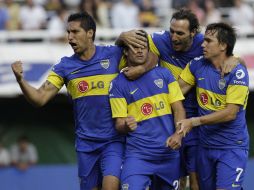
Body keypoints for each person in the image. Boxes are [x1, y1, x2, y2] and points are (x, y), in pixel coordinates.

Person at [11, 12, 155, 190]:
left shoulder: (113, 54)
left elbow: (152, 56)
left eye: (75, 32)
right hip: (86, 144)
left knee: (110, 186)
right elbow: (39, 99)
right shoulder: (65, 66)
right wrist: (20, 81)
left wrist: (139, 68)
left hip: (113, 141)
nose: (70, 37)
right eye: (68, 32)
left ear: (90, 33)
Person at [117, 9, 245, 190]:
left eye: (180, 33)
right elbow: (140, 58)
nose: (174, 37)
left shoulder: (205, 46)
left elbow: (234, 61)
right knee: (178, 179)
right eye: (172, 31)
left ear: (193, 33)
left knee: (194, 183)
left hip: (199, 126)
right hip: (170, 119)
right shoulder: (163, 43)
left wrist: (237, 59)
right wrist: (136, 59)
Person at [109, 31, 186, 190]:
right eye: (135, 47)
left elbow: (178, 109)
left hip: (168, 155)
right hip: (138, 158)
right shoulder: (117, 84)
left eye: (143, 47)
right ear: (125, 51)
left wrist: (178, 134)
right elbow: (118, 124)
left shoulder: (164, 74)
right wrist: (126, 125)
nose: (139, 50)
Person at [178, 22, 249, 190]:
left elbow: (230, 113)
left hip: (231, 147)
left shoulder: (237, 72)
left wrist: (193, 122)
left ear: (223, 45)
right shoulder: (197, 65)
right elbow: (176, 92)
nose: (203, 44)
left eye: (208, 41)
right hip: (205, 145)